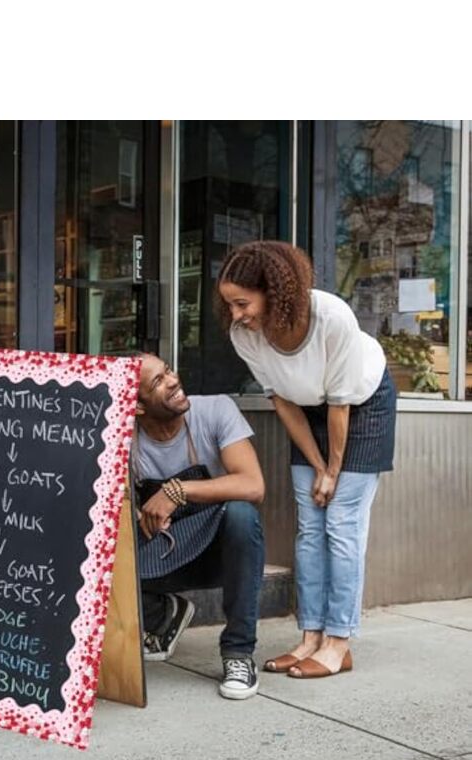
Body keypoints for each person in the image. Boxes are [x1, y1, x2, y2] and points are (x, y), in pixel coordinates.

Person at [216, 240, 396, 679]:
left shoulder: (330, 317)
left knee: (341, 523)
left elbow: (341, 405)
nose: (236, 315)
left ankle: (339, 641)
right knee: (311, 525)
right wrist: (317, 466)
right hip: (306, 411)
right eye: (230, 305)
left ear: (274, 293)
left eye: (243, 303)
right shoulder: (246, 335)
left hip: (360, 405)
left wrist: (333, 470)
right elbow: (283, 403)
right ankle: (311, 637)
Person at [133, 352, 265, 700]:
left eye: (168, 371)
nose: (174, 381)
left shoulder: (215, 410)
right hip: (163, 553)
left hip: (217, 554)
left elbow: (253, 485)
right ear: (137, 408)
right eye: (158, 382)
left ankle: (238, 653)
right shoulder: (121, 437)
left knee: (241, 514)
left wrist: (178, 490)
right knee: (95, 545)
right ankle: (163, 615)